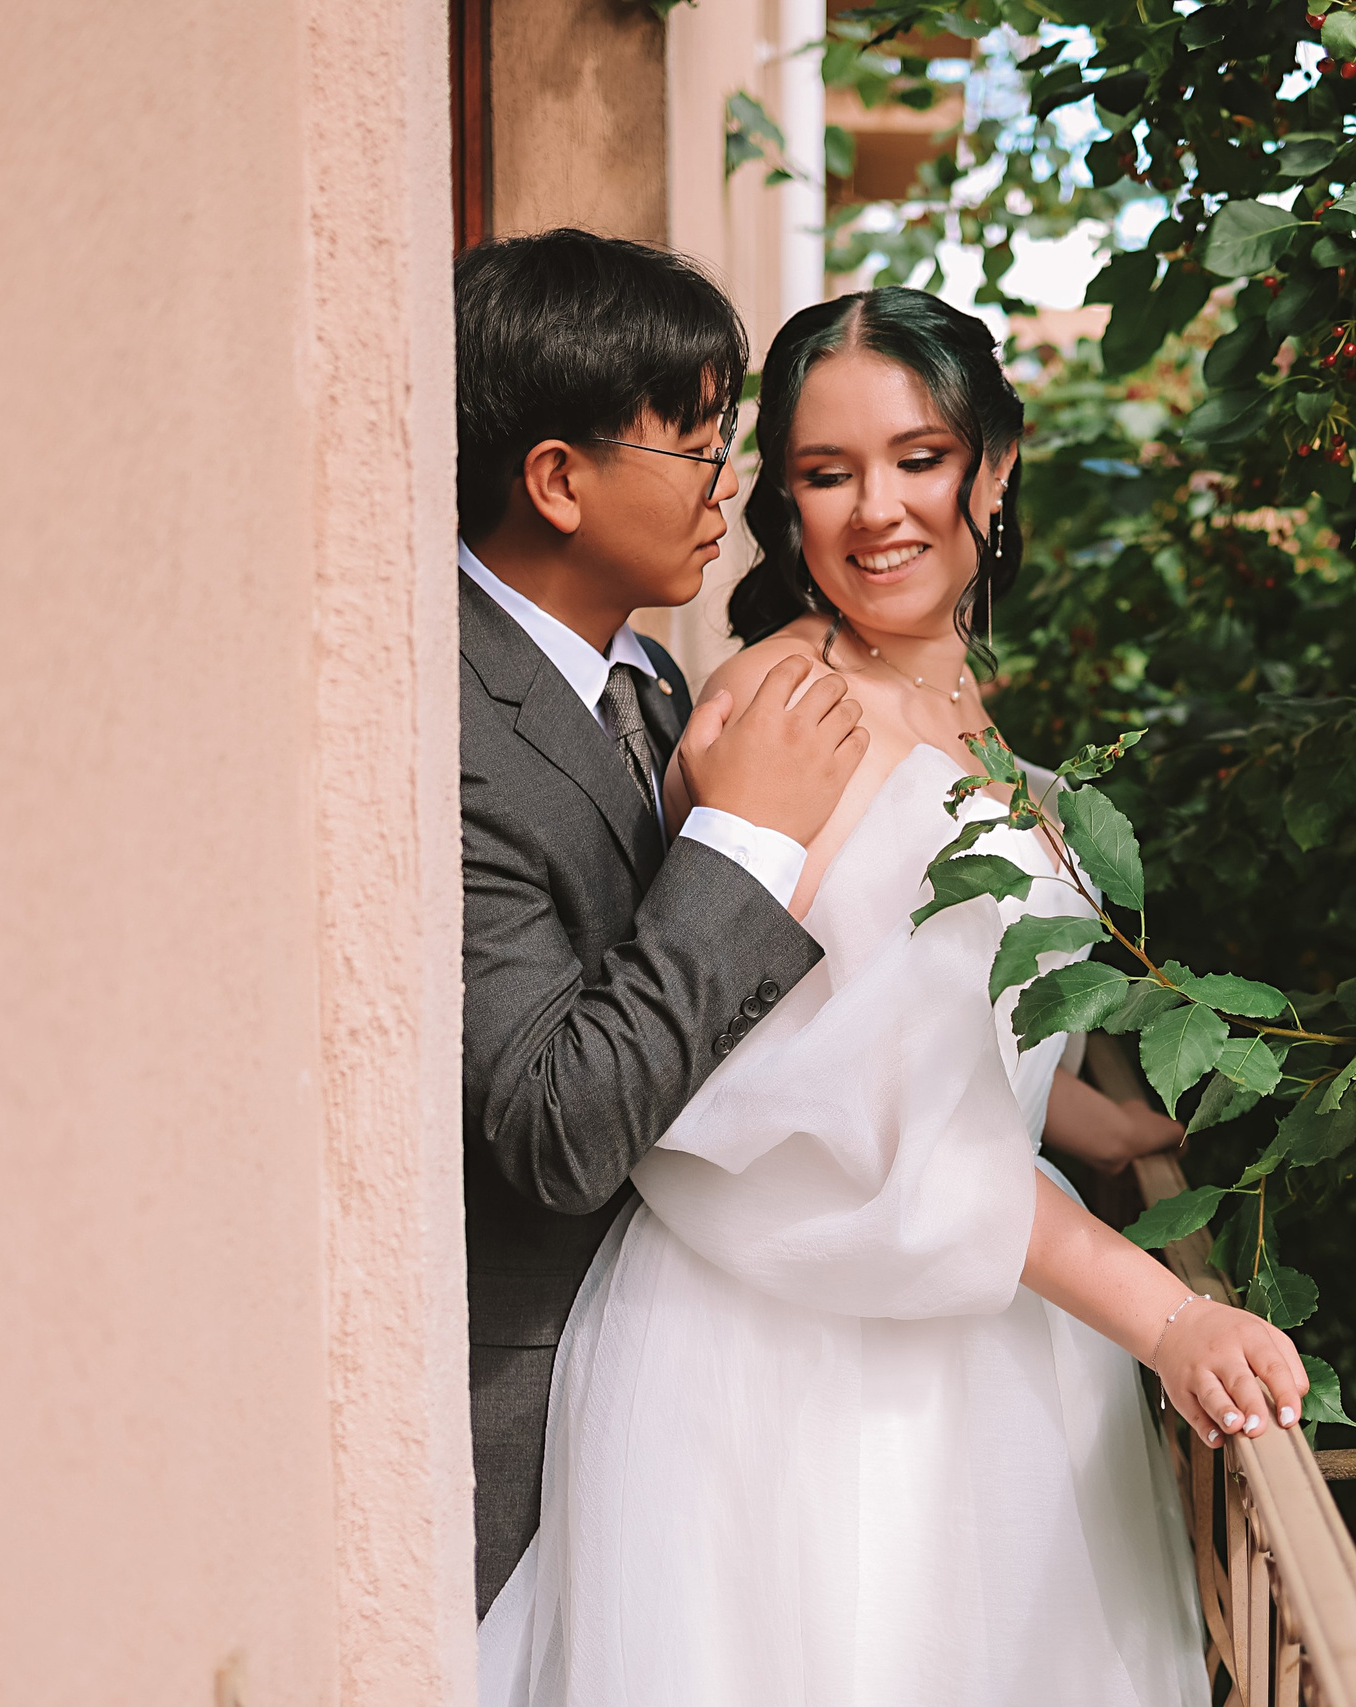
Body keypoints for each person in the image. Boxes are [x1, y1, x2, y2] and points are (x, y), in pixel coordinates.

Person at [477, 287, 1306, 1707]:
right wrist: (1172, 1321)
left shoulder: (952, 696)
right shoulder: (788, 721)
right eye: (824, 473)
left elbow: (931, 1038)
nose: (879, 512)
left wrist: (1086, 1120)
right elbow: (860, 1129)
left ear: (994, 465)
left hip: (973, 1328)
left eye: (918, 459)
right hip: (808, 1369)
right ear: (783, 506)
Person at [454, 229, 869, 1617]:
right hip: (534, 1424)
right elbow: (558, 1128)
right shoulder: (448, 723)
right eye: (698, 449)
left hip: (695, 1394)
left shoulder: (649, 681)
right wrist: (748, 839)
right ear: (559, 479)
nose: (730, 487)